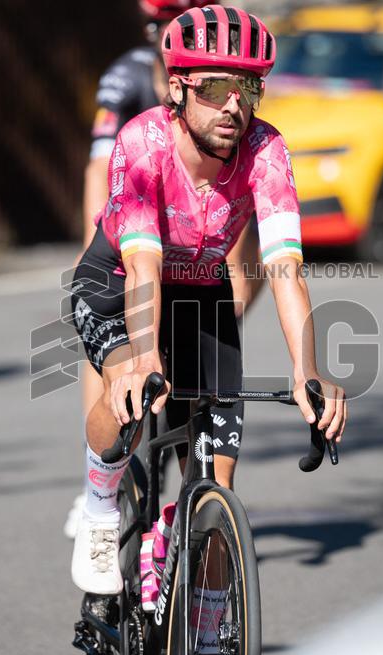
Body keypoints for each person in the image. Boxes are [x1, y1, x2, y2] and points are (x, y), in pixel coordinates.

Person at [69, 4, 347, 607]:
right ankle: (98, 505)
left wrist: (308, 367)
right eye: (216, 87)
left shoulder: (266, 150)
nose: (234, 106)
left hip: (200, 289)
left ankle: (209, 606)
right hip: (118, 280)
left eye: (247, 88)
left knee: (218, 472)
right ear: (177, 88)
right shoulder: (143, 142)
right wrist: (142, 359)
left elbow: (284, 267)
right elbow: (143, 266)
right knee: (125, 395)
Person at [64, 0, 268, 539]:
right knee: (124, 363)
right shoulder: (128, 76)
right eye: (162, 23)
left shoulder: (230, 94)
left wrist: (235, 298)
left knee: (199, 387)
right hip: (130, 242)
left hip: (198, 263)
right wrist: (98, 245)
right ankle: (103, 471)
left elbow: (241, 205)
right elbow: (96, 165)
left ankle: (186, 537)